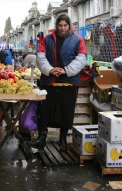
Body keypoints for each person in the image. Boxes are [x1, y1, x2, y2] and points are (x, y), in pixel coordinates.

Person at [27, 14, 87, 152]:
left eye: (65, 25)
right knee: (44, 110)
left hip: (69, 81)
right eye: (60, 25)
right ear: (56, 25)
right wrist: (50, 70)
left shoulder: (78, 40)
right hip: (49, 81)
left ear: (69, 25)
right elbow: (40, 57)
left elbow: (81, 58)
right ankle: (42, 139)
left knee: (66, 111)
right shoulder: (47, 39)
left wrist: (66, 70)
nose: (62, 28)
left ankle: (63, 139)